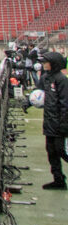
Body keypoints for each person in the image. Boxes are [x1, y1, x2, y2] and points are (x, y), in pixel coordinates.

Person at [39, 51, 68, 190]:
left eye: (46, 62)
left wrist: (64, 124)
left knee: (62, 151)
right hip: (49, 122)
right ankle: (58, 179)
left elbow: (65, 103)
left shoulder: (62, 80)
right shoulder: (45, 78)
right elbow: (39, 95)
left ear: (54, 64)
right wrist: (28, 102)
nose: (43, 64)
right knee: (51, 151)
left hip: (59, 123)